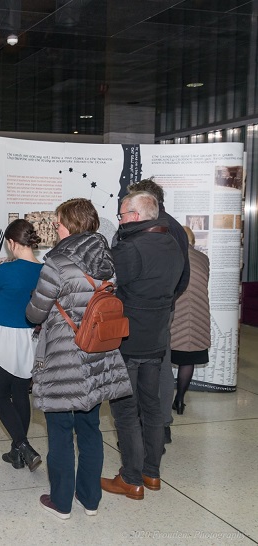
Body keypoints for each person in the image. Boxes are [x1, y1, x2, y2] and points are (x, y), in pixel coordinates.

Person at [26, 198, 132, 519]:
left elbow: (35, 313)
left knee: (60, 429)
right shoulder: (107, 260)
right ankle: (90, 499)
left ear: (70, 225)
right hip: (98, 354)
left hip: (64, 357)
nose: (55, 227)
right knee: (90, 428)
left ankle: (61, 502)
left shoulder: (57, 262)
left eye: (58, 222)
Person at [101, 191, 183, 500]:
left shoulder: (130, 248)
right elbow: (179, 285)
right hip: (157, 338)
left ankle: (131, 479)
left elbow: (107, 284)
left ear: (135, 216)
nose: (120, 220)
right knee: (151, 407)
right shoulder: (173, 244)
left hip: (128, 339)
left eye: (122, 215)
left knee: (125, 410)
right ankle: (152, 473)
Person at [126, 179, 189, 443]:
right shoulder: (176, 227)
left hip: (143, 310)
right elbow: (183, 275)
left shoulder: (151, 229)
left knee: (145, 367)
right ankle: (160, 426)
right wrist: (169, 299)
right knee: (160, 364)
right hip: (163, 307)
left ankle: (145, 428)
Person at [0, 219, 43, 471]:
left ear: (12, 243)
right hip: (29, 339)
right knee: (20, 394)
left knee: (0, 396)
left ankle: (23, 445)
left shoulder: (5, 270)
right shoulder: (45, 270)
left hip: (3, 338)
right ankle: (17, 454)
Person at [170, 226, 211, 414]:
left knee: (164, 358)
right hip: (198, 314)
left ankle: (162, 403)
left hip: (176, 314)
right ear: (192, 240)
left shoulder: (172, 257)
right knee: (188, 360)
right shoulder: (203, 258)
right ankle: (179, 400)